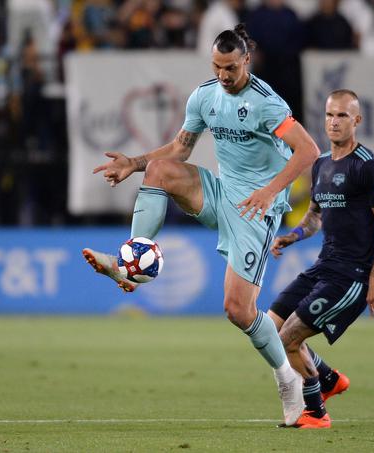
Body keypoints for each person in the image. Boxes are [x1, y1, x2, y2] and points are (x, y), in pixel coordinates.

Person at [81, 24, 321, 426]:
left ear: (246, 60)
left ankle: (287, 380)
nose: (223, 75)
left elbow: (308, 150)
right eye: (216, 66)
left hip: (255, 212)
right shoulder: (205, 96)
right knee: (160, 170)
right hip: (222, 193)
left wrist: (269, 192)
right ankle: (132, 261)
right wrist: (133, 163)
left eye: (230, 67)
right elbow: (181, 148)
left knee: (238, 310)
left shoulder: (266, 103)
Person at [267, 89, 374, 428]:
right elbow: (314, 216)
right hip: (324, 266)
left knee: (288, 339)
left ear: (357, 120)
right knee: (271, 327)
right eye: (329, 115)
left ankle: (315, 412)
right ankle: (328, 379)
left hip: (351, 276)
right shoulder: (322, 164)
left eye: (342, 115)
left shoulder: (369, 167)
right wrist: (292, 236)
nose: (334, 122)